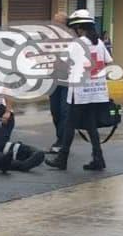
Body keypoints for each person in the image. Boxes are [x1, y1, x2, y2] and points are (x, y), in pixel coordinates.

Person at [46, 9, 112, 171]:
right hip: (96, 91)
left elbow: (62, 62)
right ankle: (98, 158)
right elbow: (109, 62)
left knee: (69, 124)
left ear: (79, 28)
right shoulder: (99, 43)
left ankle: (62, 159)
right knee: (90, 125)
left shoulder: (78, 43)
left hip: (80, 92)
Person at [49, 11, 69, 153]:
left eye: (58, 22)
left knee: (64, 111)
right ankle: (60, 138)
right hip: (54, 79)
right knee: (55, 111)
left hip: (68, 81)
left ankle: (62, 141)